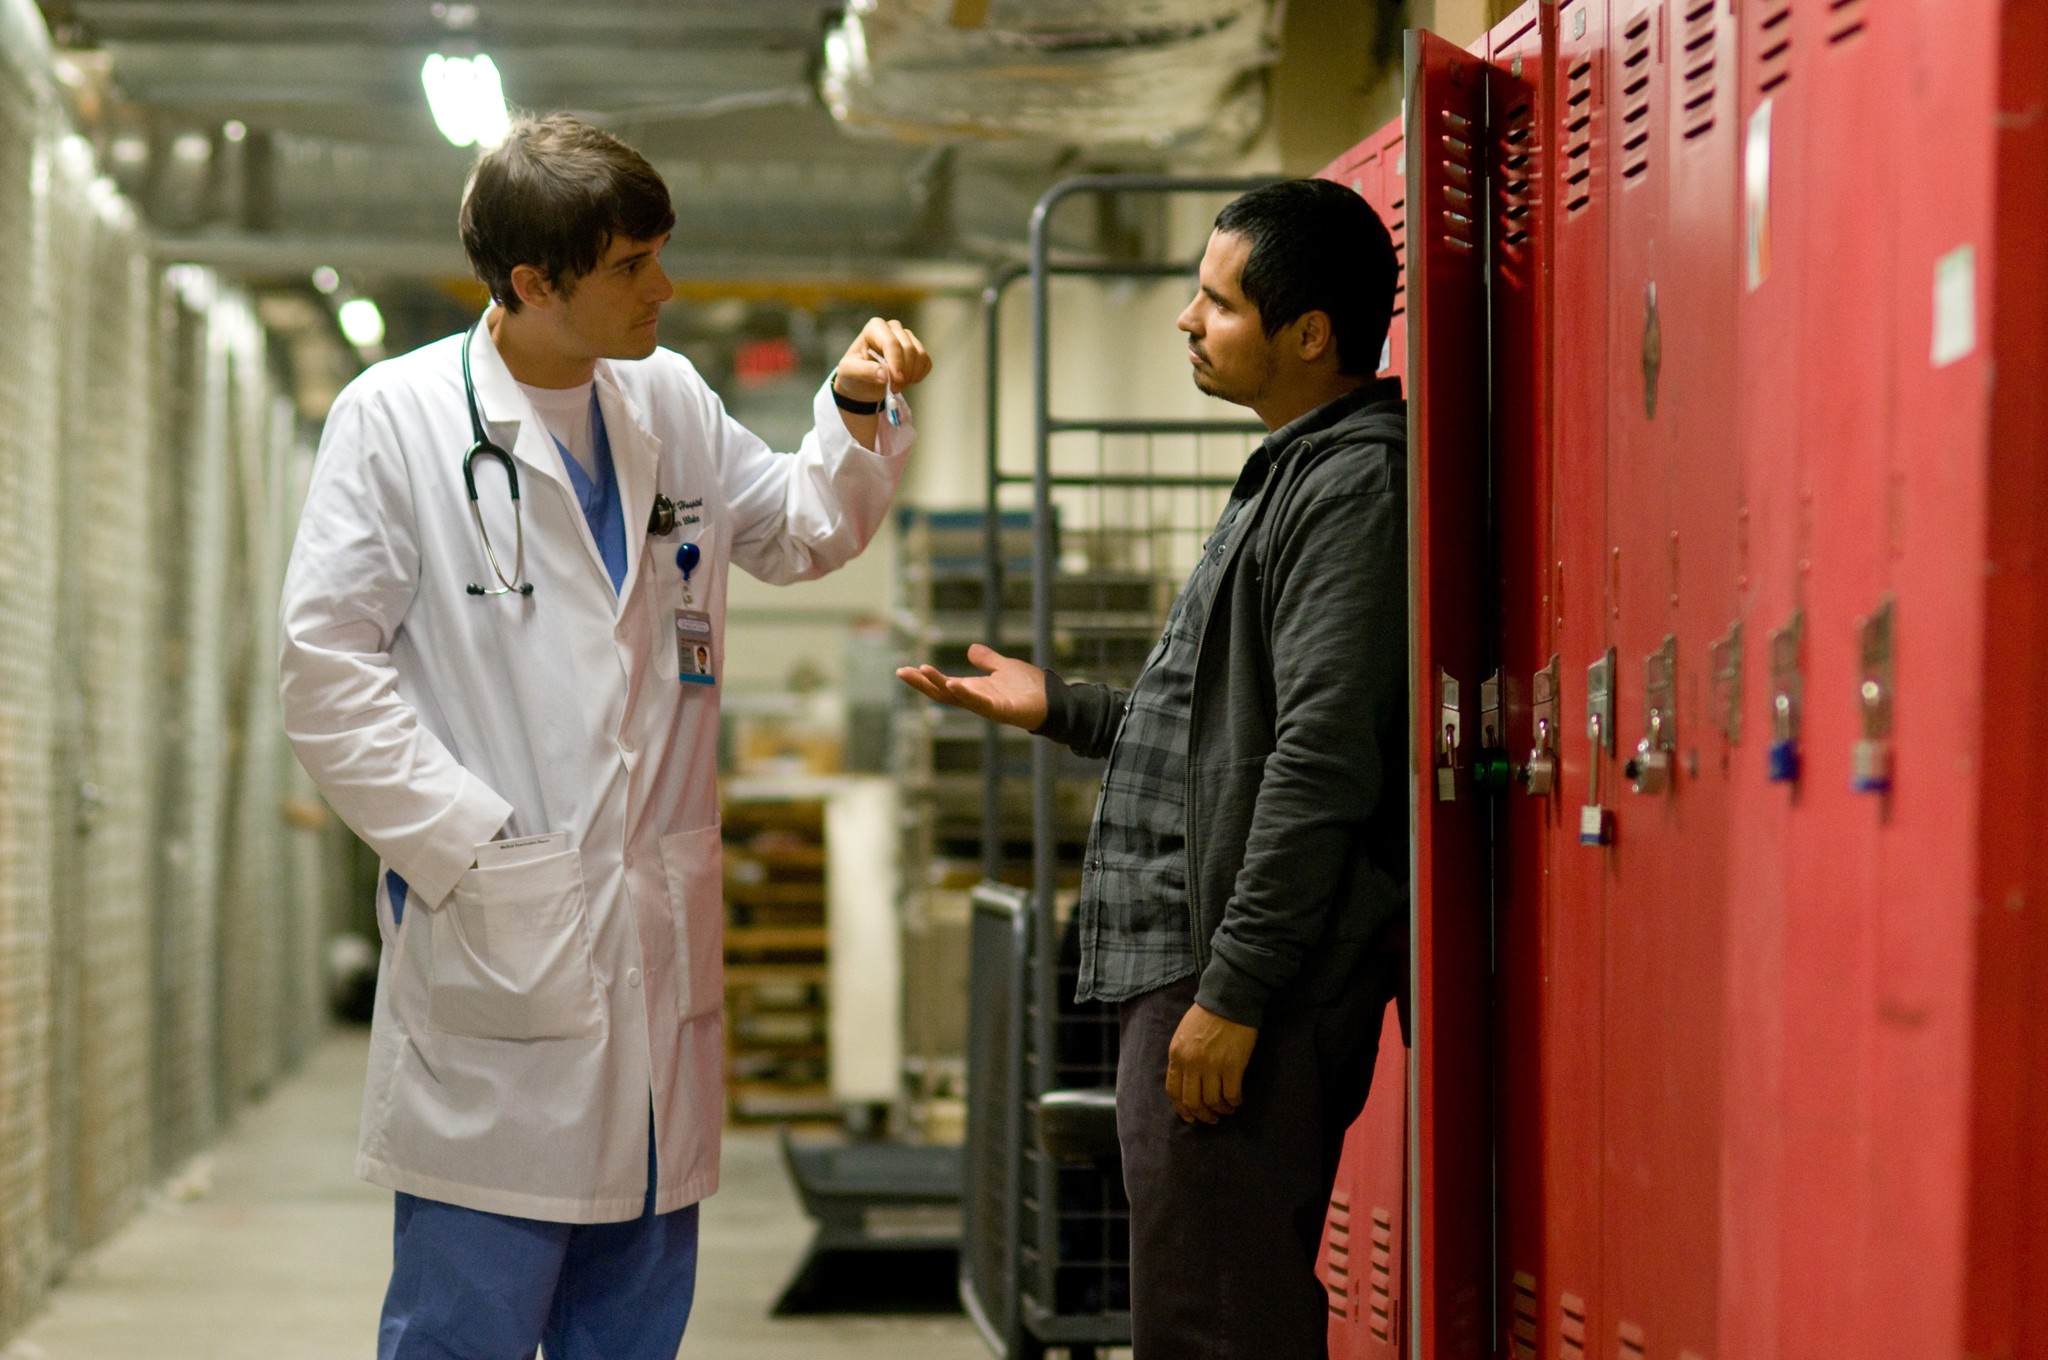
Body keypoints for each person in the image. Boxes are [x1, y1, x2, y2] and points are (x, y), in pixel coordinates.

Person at [279, 114, 930, 1360]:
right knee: (465, 1326)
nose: (665, 289)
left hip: (650, 957)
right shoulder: (396, 418)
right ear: (534, 283)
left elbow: (795, 530)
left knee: (632, 1327)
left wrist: (849, 412)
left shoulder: (667, 399)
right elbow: (324, 674)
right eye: (633, 265)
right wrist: (475, 850)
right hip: (502, 945)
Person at [898, 177, 1405, 1358]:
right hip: (1198, 965)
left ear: (1308, 335)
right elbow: (1217, 743)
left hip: (1234, 978)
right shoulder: (1291, 471)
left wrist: (1231, 991)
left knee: (1213, 1319)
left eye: (1213, 301)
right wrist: (1062, 710)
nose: (1186, 320)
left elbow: (1320, 760)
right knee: (1196, 1302)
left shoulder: (1347, 487)